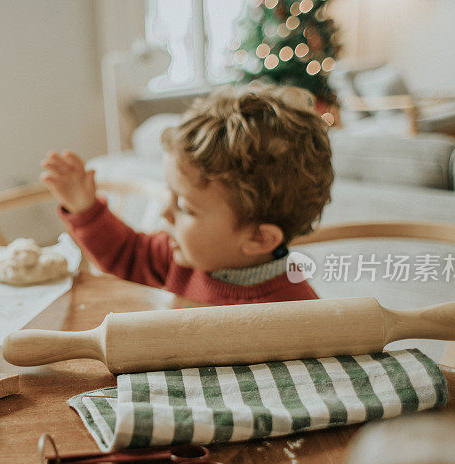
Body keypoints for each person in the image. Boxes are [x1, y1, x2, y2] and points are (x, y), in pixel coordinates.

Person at [40, 85, 333, 305]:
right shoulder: (180, 257)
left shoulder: (299, 315)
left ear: (258, 238)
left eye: (185, 207)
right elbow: (128, 254)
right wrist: (85, 209)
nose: (164, 213)